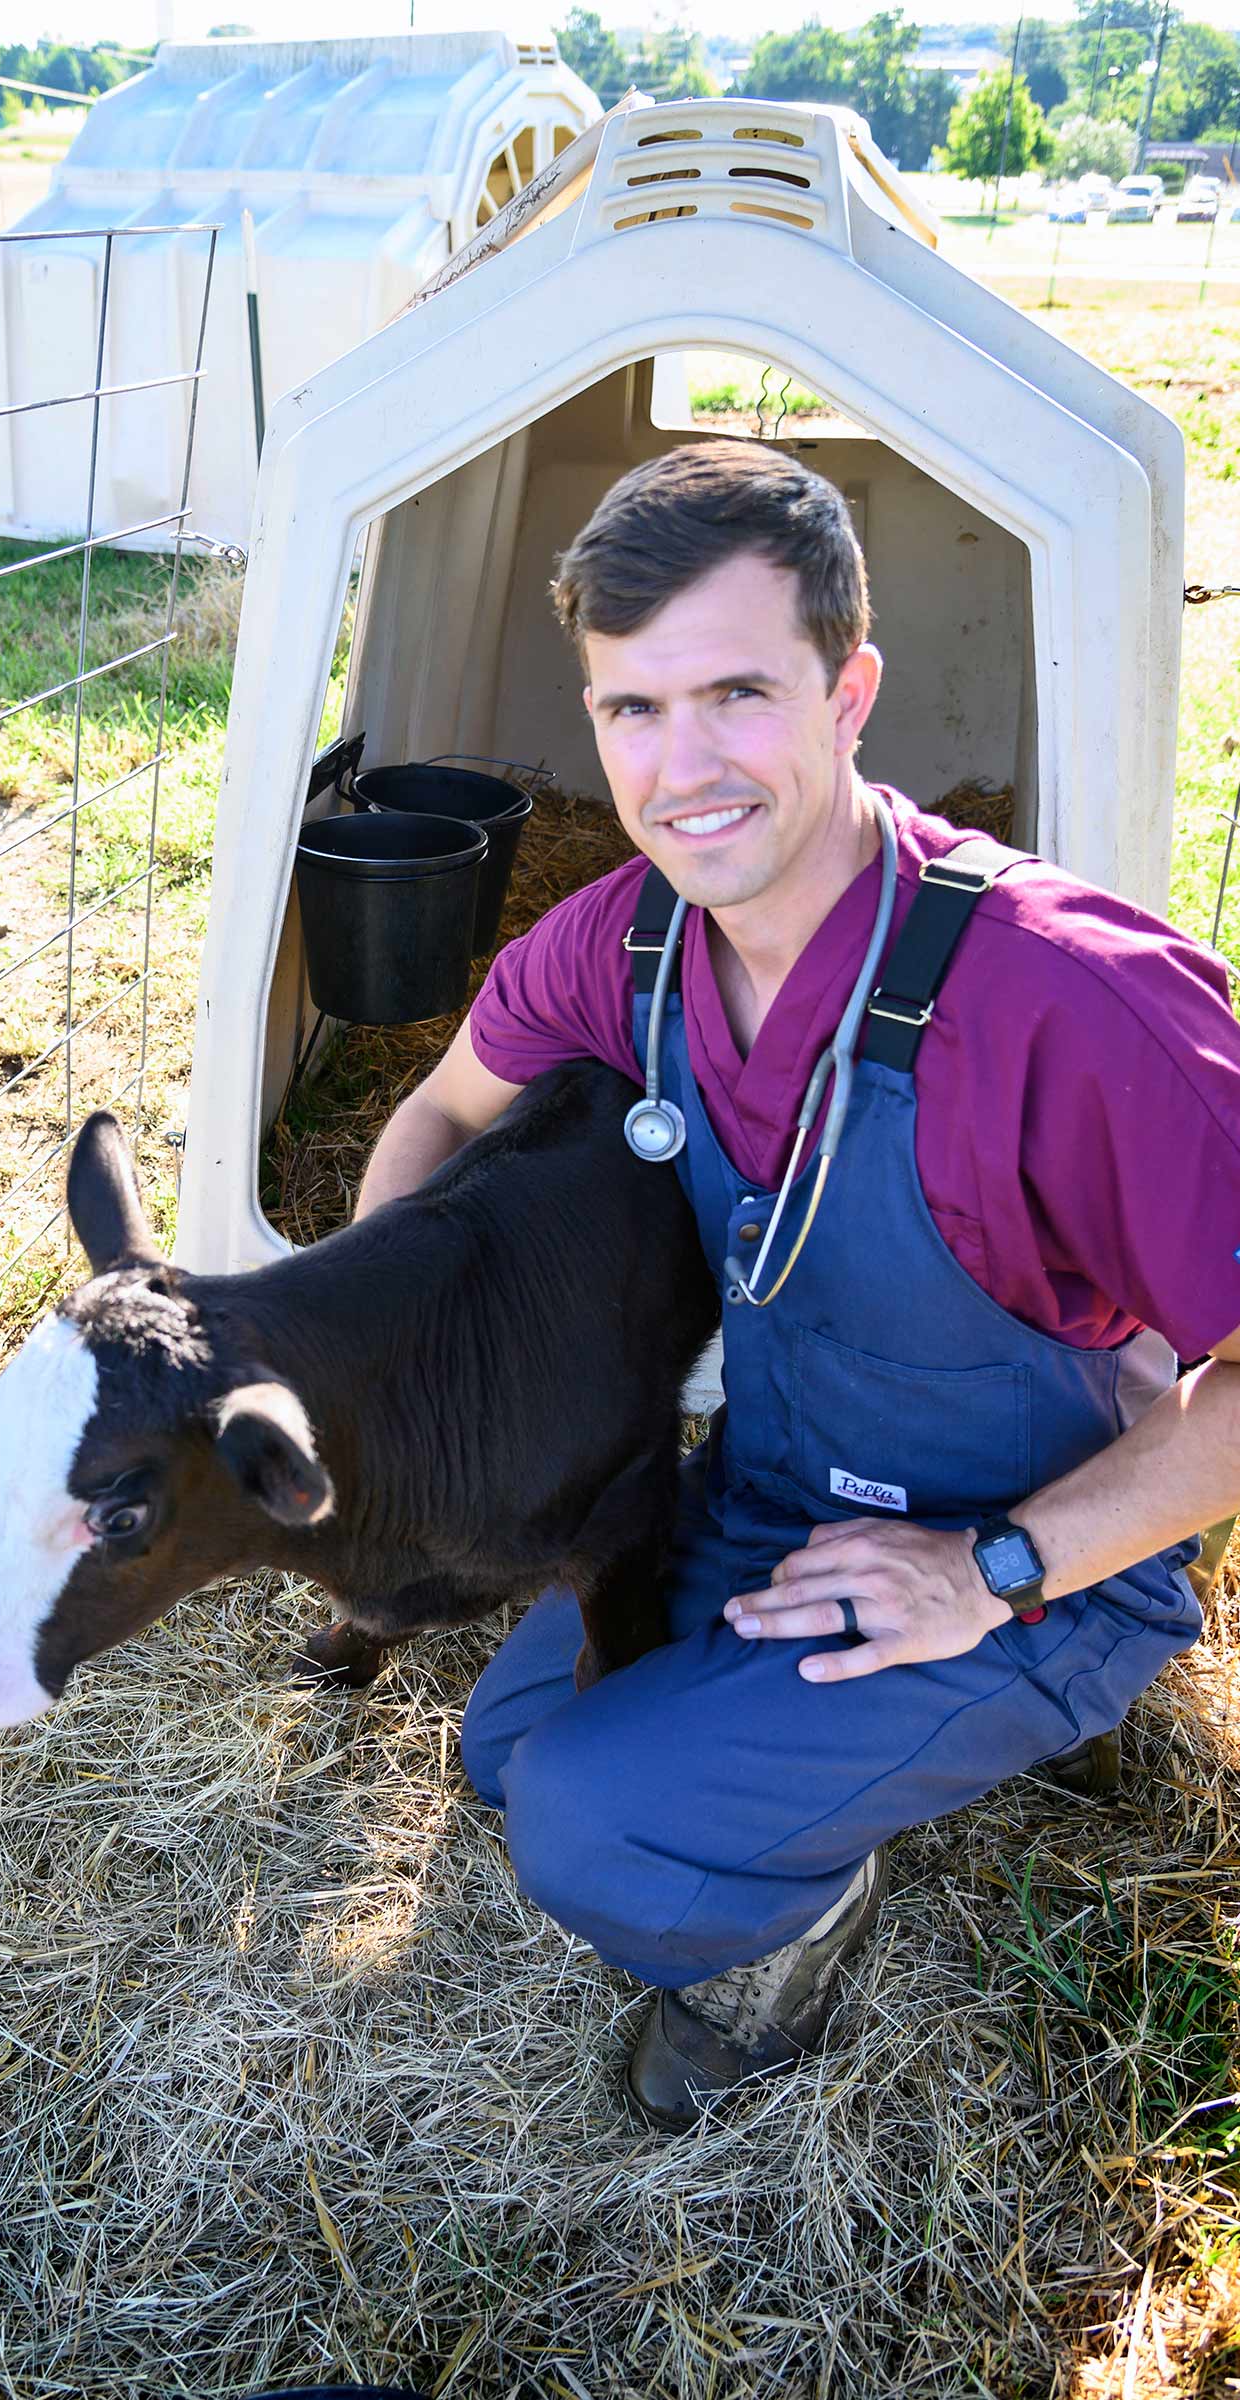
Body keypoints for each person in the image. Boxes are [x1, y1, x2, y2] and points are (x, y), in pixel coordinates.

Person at [353, 440, 1240, 2132]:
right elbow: (442, 1109)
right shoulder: (626, 941)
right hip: (767, 1490)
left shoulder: (1073, 1000)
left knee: (596, 1830)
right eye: (629, 710)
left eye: (738, 693)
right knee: (512, 1749)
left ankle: (800, 1929)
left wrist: (993, 1568)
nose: (681, 769)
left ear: (852, 690)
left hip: (1038, 1545)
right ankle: (798, 1760)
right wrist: (407, 1355)